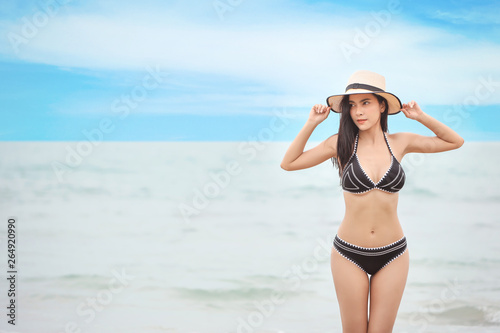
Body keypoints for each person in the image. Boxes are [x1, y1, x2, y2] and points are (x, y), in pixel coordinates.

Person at [280, 70, 464, 332]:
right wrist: (311, 123)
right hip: (348, 253)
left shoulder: (400, 143)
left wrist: (421, 117)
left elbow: (455, 141)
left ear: (381, 105)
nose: (358, 112)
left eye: (365, 102)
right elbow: (288, 163)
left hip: (393, 253)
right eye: (352, 106)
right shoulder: (341, 145)